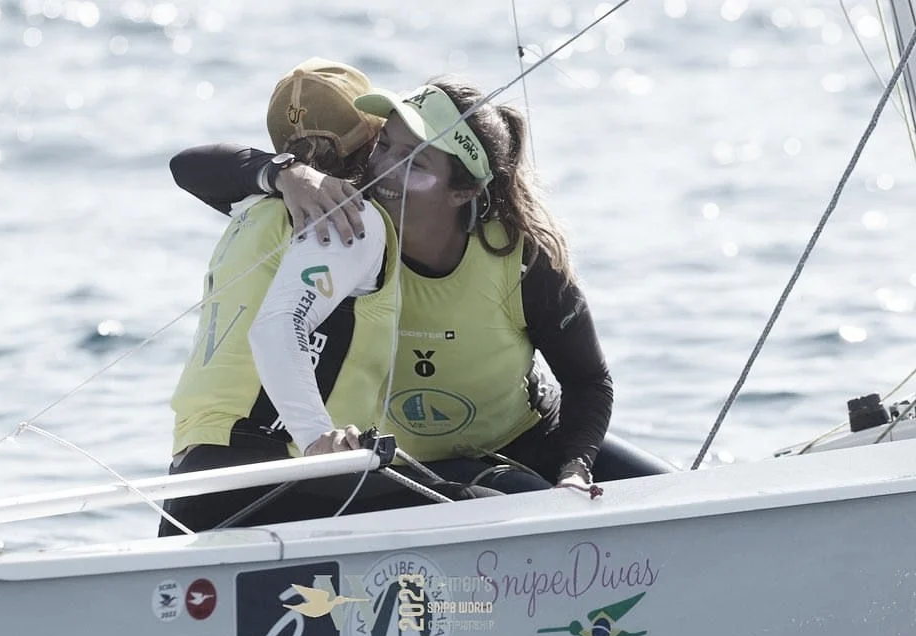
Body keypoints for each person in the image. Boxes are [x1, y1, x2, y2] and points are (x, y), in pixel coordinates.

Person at [170, 74, 647, 495]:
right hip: (414, 463)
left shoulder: (520, 257)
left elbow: (589, 380)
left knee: (670, 491)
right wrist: (285, 171)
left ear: (464, 191)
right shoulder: (341, 225)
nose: (385, 169)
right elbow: (191, 167)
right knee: (517, 497)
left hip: (533, 440)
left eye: (414, 163)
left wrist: (576, 468)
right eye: (385, 147)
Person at [160, 57, 403, 536]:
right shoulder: (353, 218)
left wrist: (280, 171)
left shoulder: (248, 208)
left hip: (192, 474)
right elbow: (275, 329)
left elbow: (186, 164)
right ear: (371, 141)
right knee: (480, 493)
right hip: (282, 475)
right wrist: (316, 439)